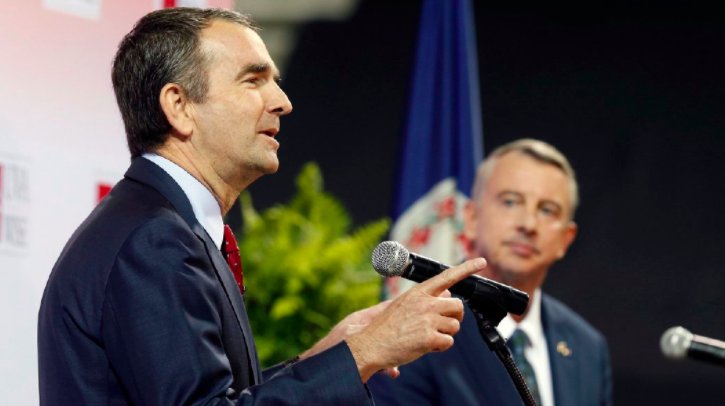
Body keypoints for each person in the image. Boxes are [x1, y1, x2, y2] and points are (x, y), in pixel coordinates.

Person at [36, 7, 488, 405]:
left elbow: (216, 398)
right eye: (253, 80)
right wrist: (365, 352)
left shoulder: (156, 223)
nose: (283, 103)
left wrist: (324, 356)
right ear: (179, 105)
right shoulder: (153, 239)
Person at [369, 139, 612, 406]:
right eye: (510, 202)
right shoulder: (414, 329)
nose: (528, 224)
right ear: (471, 218)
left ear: (566, 238)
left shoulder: (588, 348)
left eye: (546, 210)